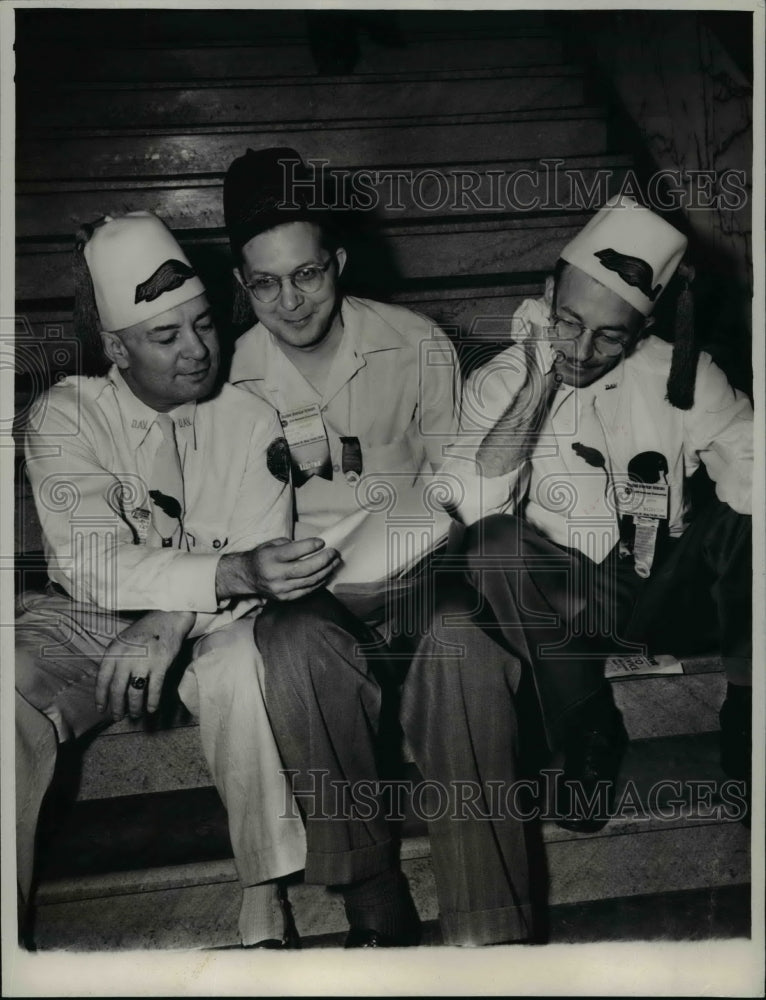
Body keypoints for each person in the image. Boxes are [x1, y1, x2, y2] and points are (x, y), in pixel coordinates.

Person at [223, 147, 533, 947]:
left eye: (308, 275)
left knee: (465, 646)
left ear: (339, 262)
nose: (289, 302)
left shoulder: (416, 342)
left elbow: (461, 485)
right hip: (304, 593)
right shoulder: (225, 375)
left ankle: (490, 927)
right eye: (265, 283)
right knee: (292, 651)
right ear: (240, 285)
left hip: (420, 573)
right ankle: (370, 888)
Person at [15, 211, 344, 948]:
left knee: (237, 668)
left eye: (204, 325)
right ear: (114, 346)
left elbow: (266, 559)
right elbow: (90, 562)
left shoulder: (250, 416)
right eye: (166, 337)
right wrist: (220, 573)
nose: (198, 351)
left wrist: (171, 619)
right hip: (86, 619)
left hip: (213, 626)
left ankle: (264, 891)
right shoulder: (66, 416)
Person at [444, 195, 753, 830]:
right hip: (567, 605)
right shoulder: (500, 382)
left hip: (666, 592)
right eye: (568, 322)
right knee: (490, 544)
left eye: (610, 335)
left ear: (641, 331)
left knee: (747, 521)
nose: (581, 350)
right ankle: (586, 729)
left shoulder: (684, 374)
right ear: (546, 293)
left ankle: (752, 719)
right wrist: (538, 384)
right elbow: (470, 504)